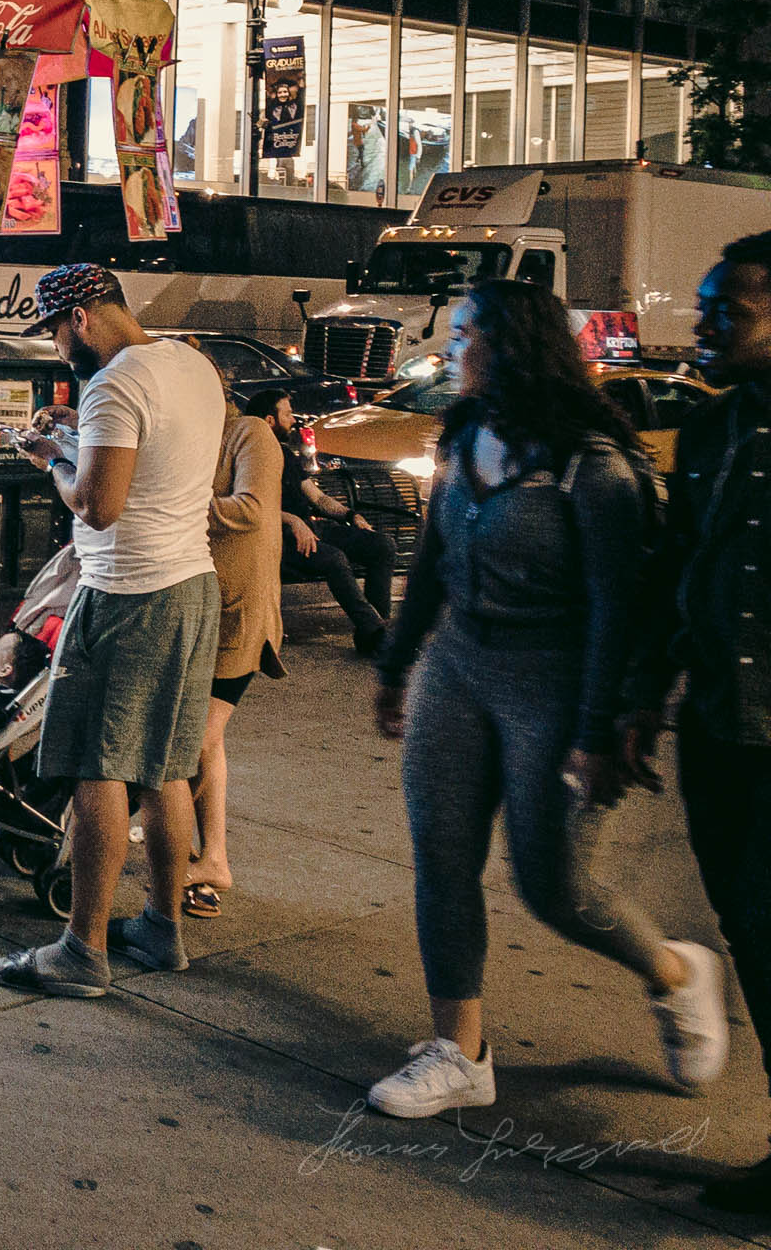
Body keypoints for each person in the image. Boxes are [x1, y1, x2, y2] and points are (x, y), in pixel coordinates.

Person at [368, 278, 723, 1119]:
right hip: (457, 668)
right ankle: (462, 1052)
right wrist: (397, 664)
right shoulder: (463, 435)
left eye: (463, 337)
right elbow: (428, 564)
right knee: (442, 857)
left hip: (553, 684)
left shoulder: (594, 466)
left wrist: (597, 730)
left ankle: (675, 973)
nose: (449, 353)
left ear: (512, 345)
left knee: (554, 885)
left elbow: (618, 611)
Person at [0, 263, 222, 999]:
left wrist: (50, 456)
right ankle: (159, 927)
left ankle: (81, 950)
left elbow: (98, 506)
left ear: (80, 319)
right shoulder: (190, 363)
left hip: (126, 595)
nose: (57, 350)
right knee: (167, 767)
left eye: (54, 333)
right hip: (191, 586)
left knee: (98, 768)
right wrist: (81, 435)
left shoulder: (112, 382)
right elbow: (156, 465)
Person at [623, 233, 771, 1211]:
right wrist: (643, 699)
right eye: (708, 304)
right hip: (725, 733)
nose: (704, 323)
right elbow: (680, 576)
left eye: (733, 309)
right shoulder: (714, 435)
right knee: (757, 938)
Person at [183, 383, 285, 920]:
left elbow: (250, 510)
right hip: (198, 607)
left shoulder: (250, 434)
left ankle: (213, 858)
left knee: (202, 735)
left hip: (239, 613)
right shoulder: (190, 437)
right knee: (203, 739)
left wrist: (169, 503)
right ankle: (207, 855)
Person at [251, 389, 396, 658]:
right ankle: (378, 633)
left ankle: (371, 633)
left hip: (310, 529)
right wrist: (292, 521)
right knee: (333, 558)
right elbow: (252, 506)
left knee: (382, 546)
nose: (293, 419)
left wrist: (349, 515)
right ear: (270, 420)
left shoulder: (284, 454)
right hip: (276, 536)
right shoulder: (252, 455)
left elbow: (317, 497)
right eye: (286, 414)